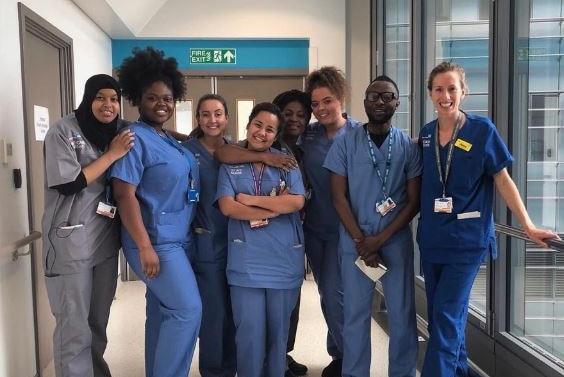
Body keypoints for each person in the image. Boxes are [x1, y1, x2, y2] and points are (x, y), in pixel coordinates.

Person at [417, 61, 560, 377]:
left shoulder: (482, 131)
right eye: (439, 89)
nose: (446, 95)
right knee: (447, 317)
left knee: (444, 319)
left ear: (463, 91)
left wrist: (527, 224)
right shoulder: (425, 135)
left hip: (466, 243)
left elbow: (503, 180)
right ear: (430, 94)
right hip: (432, 242)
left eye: (452, 88)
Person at [111, 47, 202, 377]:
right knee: (187, 310)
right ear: (137, 99)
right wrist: (146, 246)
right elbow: (124, 195)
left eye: (167, 98)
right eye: (152, 98)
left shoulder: (167, 138)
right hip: (154, 241)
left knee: (164, 312)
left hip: (178, 238)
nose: (161, 104)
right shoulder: (133, 138)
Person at [324, 75, 420, 377]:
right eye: (373, 96)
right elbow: (337, 197)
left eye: (387, 96)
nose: (379, 101)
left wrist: (379, 240)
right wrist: (361, 240)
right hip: (355, 239)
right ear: (364, 102)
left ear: (397, 103)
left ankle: (402, 373)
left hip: (394, 238)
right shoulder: (345, 143)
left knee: (403, 314)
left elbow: (413, 201)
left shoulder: (407, 145)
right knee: (354, 314)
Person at [213, 89, 312, 377]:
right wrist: (273, 210)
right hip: (246, 261)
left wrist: (252, 200)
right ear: (248, 125)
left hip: (283, 260)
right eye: (258, 125)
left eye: (270, 129)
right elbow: (228, 207)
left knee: (278, 334)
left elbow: (296, 201)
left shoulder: (286, 162)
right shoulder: (231, 163)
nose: (262, 132)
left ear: (276, 135)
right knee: (249, 334)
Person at [42, 73, 135, 377]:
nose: (108, 105)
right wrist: (112, 155)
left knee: (97, 322)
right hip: (71, 242)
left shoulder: (118, 131)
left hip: (105, 241)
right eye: (100, 98)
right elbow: (69, 183)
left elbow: (150, 132)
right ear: (87, 98)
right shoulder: (63, 131)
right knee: (74, 328)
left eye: (113, 99)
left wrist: (194, 137)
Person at [301, 66, 363, 377]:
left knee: (338, 293)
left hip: (349, 229)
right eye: (315, 104)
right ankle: (339, 354)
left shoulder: (359, 133)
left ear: (340, 98)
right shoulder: (307, 135)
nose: (321, 109)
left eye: (327, 101)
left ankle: (351, 359)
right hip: (316, 227)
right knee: (327, 293)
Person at [182, 94, 237, 377]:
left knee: (237, 312)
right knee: (213, 314)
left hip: (240, 243)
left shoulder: (238, 150)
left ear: (227, 118)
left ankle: (234, 367)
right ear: (198, 119)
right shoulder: (185, 152)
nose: (212, 120)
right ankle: (215, 371)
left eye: (218, 114)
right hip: (206, 242)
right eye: (205, 114)